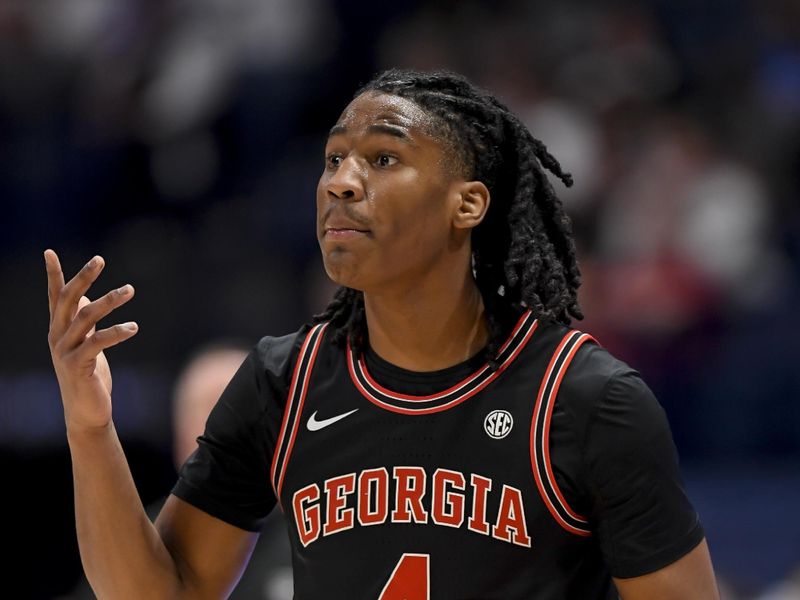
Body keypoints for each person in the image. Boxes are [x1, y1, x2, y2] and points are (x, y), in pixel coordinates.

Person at [45, 69, 719, 599]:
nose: (341, 182)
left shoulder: (585, 400)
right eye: (333, 158)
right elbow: (165, 593)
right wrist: (89, 428)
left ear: (468, 204)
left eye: (383, 159)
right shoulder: (284, 383)